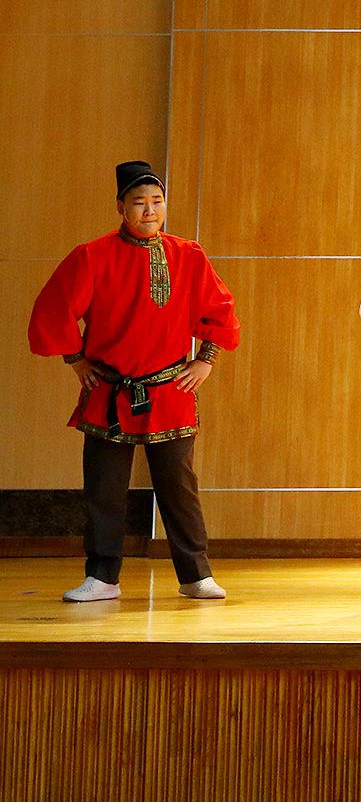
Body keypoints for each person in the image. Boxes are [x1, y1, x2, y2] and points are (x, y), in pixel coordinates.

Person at [26, 161, 240, 603]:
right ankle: (103, 576)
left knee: (178, 488)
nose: (149, 210)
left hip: (169, 389)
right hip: (109, 390)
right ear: (120, 207)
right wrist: (76, 358)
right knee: (104, 488)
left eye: (157, 201)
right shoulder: (92, 255)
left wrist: (205, 359)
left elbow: (219, 309)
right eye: (139, 202)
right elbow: (53, 308)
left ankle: (196, 574)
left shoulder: (188, 255)